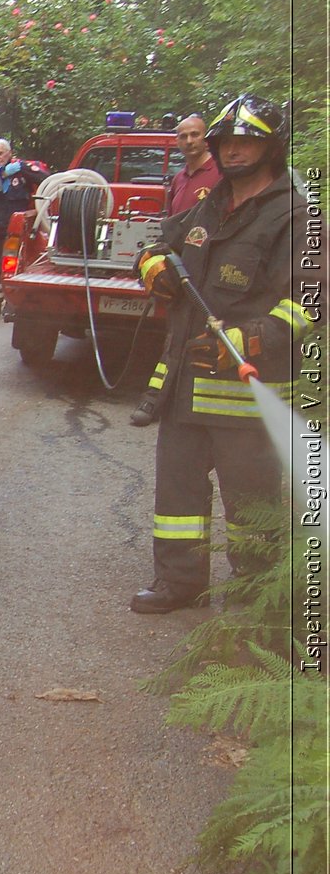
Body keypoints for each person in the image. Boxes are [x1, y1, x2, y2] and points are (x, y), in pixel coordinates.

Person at [131, 94, 313, 614]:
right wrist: (153, 269)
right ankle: (179, 582)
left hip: (243, 395)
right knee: (177, 495)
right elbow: (154, 246)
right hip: (184, 384)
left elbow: (310, 299)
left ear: (272, 147)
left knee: (250, 503)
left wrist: (255, 340)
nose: (233, 151)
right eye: (226, 142)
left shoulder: (295, 213)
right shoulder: (209, 205)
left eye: (246, 141)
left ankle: (254, 594)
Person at [130, 114, 223, 427]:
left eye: (195, 135)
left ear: (206, 137)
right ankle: (160, 399)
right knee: (174, 335)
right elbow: (172, 224)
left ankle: (172, 403)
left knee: (197, 337)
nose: (189, 141)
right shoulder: (180, 177)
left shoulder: (221, 174)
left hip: (209, 270)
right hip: (179, 267)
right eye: (183, 136)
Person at [0, 138, 48, 317]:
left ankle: (12, 302)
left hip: (15, 228)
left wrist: (21, 169)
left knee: (14, 264)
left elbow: (45, 178)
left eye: (0, 153)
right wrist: (1, 172)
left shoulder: (21, 168)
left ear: (9, 152)